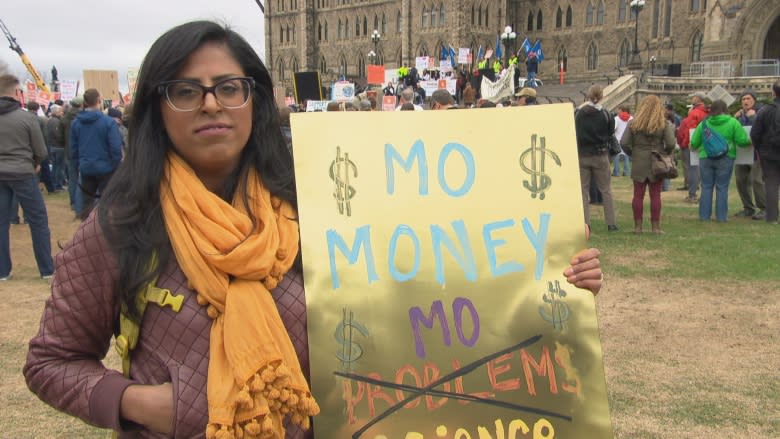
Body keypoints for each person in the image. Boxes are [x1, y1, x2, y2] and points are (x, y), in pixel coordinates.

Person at [23, 21, 605, 439]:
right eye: (185, 90)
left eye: (229, 86)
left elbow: (430, 286)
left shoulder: (320, 202)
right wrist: (144, 405)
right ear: (158, 106)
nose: (211, 104)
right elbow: (51, 362)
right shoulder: (122, 223)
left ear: (254, 98)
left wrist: (547, 274)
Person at [0, 74, 54, 281]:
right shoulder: (26, 118)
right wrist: (36, 163)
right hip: (23, 171)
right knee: (38, 220)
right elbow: (40, 150)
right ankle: (46, 268)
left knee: (1, 222)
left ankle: (3, 271)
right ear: (16, 92)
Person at [620, 95, 676, 234]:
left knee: (638, 195)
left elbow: (624, 143)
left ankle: (638, 227)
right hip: (657, 160)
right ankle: (655, 227)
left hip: (639, 159)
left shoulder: (634, 123)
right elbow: (670, 143)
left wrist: (633, 153)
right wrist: (665, 154)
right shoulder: (662, 123)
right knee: (655, 195)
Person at [690, 100, 751, 222]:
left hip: (705, 158)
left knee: (706, 187)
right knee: (722, 187)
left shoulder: (704, 123)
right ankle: (721, 217)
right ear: (725, 109)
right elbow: (742, 141)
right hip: (726, 157)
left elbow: (694, 143)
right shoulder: (733, 122)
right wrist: (751, 141)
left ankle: (704, 216)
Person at [70, 88, 123, 218]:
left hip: (87, 167)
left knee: (87, 203)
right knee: (108, 202)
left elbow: (74, 148)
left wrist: (79, 165)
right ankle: (105, 229)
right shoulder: (108, 122)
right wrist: (114, 165)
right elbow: (116, 148)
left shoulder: (76, 123)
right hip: (106, 168)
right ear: (99, 101)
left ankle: (87, 228)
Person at [575, 84, 618, 232]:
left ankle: (585, 223)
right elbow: (610, 132)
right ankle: (611, 223)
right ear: (601, 97)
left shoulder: (578, 113)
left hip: (582, 155)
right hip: (600, 155)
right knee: (606, 190)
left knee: (583, 191)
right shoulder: (606, 114)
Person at [750, 79, 780, 224]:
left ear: (773, 93)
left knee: (771, 184)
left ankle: (772, 217)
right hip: (769, 150)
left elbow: (755, 133)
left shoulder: (765, 110)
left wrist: (759, 148)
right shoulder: (766, 110)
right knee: (771, 183)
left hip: (769, 152)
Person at [733, 89, 766, 220]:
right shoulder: (740, 116)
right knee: (741, 180)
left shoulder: (761, 113)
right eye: (743, 99)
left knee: (757, 180)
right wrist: (734, 119)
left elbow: (765, 129)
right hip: (742, 153)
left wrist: (754, 117)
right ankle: (748, 208)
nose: (745, 101)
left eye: (748, 99)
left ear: (754, 100)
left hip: (757, 154)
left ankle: (764, 208)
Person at [677, 91, 709, 203]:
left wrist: (685, 143)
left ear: (698, 99)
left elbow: (690, 130)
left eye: (694, 97)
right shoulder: (704, 111)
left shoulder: (695, 113)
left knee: (693, 169)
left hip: (691, 144)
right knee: (698, 168)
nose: (692, 99)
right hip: (701, 143)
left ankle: (692, 194)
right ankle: (695, 192)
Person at [612, 105, 632, 177]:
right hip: (627, 139)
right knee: (626, 156)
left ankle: (616, 172)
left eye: (618, 109)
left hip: (618, 139)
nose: (617, 111)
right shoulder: (631, 118)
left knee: (616, 156)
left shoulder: (617, 118)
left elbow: (613, 128)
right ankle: (626, 172)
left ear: (621, 110)